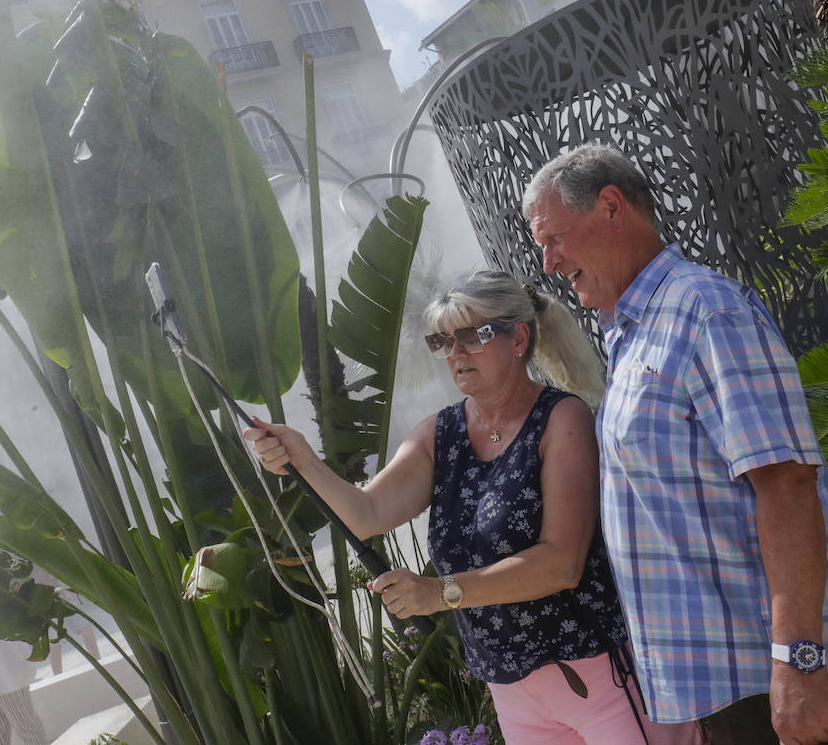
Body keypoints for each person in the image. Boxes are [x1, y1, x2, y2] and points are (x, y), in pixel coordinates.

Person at [522, 144, 828, 745]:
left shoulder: (705, 310)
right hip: (733, 682)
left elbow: (787, 483)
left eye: (555, 237)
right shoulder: (635, 331)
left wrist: (798, 661)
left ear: (612, 207)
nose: (550, 262)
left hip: (772, 675)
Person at [245, 271, 702, 744]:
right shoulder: (438, 434)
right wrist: (304, 460)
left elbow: (562, 564)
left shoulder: (563, 419)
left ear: (518, 337)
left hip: (597, 669)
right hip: (512, 690)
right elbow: (365, 513)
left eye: (472, 336)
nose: (456, 353)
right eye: (444, 341)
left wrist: (441, 593)